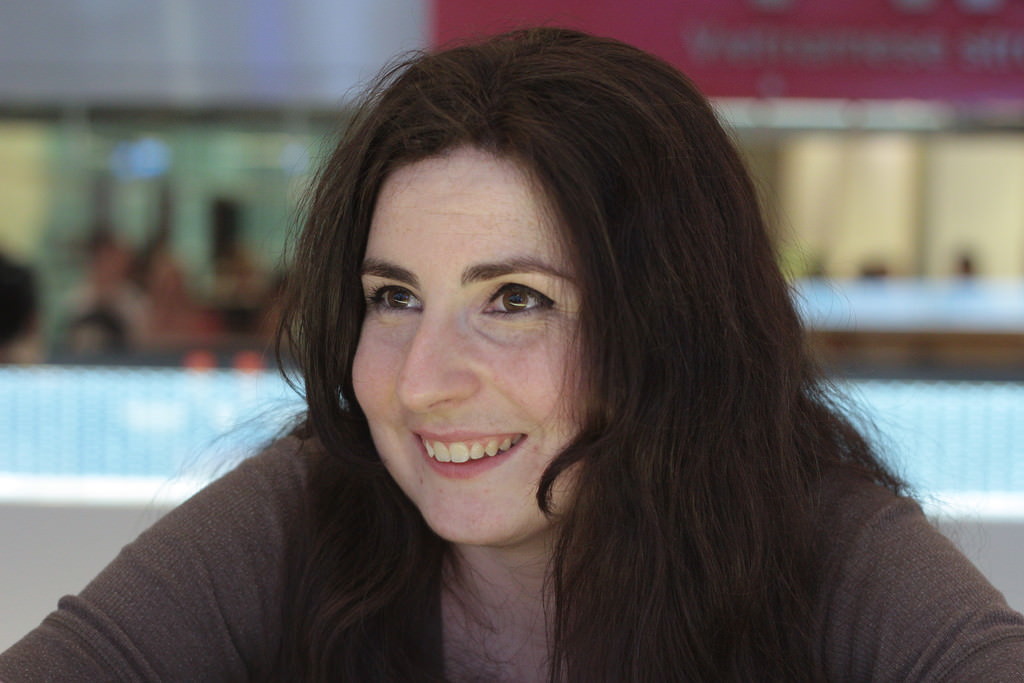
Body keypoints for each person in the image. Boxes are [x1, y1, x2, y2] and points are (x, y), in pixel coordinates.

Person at [1, 27, 1022, 681]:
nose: (420, 382)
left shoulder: (824, 541)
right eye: (394, 297)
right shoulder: (306, 506)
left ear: (668, 328)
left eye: (517, 300)